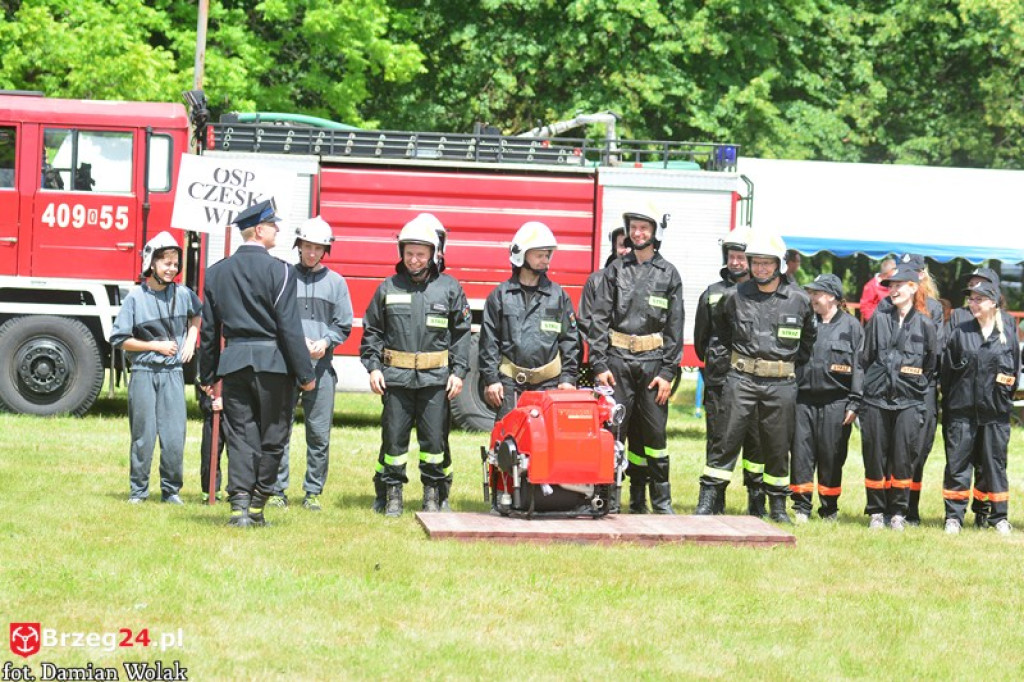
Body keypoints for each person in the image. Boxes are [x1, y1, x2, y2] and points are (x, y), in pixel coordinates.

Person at [198, 199, 316, 528]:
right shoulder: (280, 270)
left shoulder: (215, 273)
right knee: (274, 437)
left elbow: (209, 331)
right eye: (274, 225)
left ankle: (239, 508)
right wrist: (306, 374)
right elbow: (289, 327)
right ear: (260, 230)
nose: (278, 229)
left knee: (240, 437)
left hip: (234, 363)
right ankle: (258, 504)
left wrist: (206, 374)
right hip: (274, 366)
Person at [694, 229, 815, 523]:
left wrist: (781, 367)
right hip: (741, 380)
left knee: (776, 446)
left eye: (767, 263)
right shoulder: (734, 296)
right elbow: (721, 333)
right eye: (756, 262)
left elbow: (808, 341)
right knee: (725, 440)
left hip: (781, 384)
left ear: (780, 265)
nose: (760, 268)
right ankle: (709, 500)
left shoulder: (798, 299)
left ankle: (777, 507)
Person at [360, 213, 471, 516]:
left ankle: (434, 496)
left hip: (436, 380)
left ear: (433, 255)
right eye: (409, 253)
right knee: (393, 440)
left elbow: (462, 335)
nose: (414, 259)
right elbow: (372, 331)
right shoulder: (388, 288)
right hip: (396, 379)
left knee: (435, 442)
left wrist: (459, 372)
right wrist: (373, 367)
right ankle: (391, 494)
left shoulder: (450, 289)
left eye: (421, 254)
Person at [589, 205, 684, 514]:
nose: (638, 233)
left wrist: (668, 372)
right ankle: (610, 499)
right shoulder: (615, 270)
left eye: (644, 228)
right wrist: (600, 365)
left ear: (655, 233)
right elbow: (599, 319)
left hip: (654, 364)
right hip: (617, 363)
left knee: (655, 435)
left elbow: (675, 326)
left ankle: (660, 502)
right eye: (634, 227)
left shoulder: (669, 274)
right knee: (613, 432)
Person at [269, 216, 353, 511]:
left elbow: (343, 325)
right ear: (298, 246)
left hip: (321, 368)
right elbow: (274, 319)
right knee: (281, 430)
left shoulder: (336, 283)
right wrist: (296, 343)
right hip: (286, 367)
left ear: (325, 250)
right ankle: (278, 490)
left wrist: (326, 342)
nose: (312, 253)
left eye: (318, 248)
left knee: (318, 433)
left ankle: (312, 492)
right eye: (307, 247)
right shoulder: (283, 277)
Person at [112, 231, 201, 505]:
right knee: (143, 435)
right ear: (152, 263)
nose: (172, 268)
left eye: (175, 264)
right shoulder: (135, 298)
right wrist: (155, 347)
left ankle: (171, 491)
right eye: (166, 263)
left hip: (172, 375)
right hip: (143, 374)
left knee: (174, 436)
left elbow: (197, 316)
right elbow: (121, 340)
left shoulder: (184, 294)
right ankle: (138, 491)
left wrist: (191, 339)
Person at [859, 265, 938, 531]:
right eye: (890, 286)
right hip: (876, 401)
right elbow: (864, 358)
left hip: (909, 402)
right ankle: (876, 512)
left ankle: (898, 513)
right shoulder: (879, 320)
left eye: (899, 286)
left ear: (913, 288)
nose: (893, 290)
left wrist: (914, 388)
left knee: (904, 458)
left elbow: (930, 364)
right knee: (875, 456)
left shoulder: (926, 324)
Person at [693, 228, 765, 516]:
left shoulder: (764, 295)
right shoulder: (712, 294)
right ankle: (714, 501)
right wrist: (716, 362)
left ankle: (757, 501)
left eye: (741, 257)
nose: (736, 262)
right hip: (720, 382)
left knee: (757, 442)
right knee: (719, 440)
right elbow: (701, 341)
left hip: (756, 381)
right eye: (732, 257)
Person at [940, 279, 1020, 535]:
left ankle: (997, 517)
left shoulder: (1007, 335)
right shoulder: (960, 332)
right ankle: (953, 516)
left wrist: (1000, 399)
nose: (972, 304)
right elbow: (946, 374)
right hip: (962, 413)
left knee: (994, 465)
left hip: (995, 414)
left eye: (978, 299)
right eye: (971, 299)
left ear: (993, 303)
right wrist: (954, 403)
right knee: (958, 464)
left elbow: (1013, 374)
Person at [578, 226, 648, 512]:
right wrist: (602, 357)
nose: (626, 249)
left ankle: (639, 498)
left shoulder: (650, 278)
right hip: (606, 367)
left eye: (629, 244)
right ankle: (606, 498)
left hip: (638, 367)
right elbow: (586, 321)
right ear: (614, 247)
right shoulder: (597, 281)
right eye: (621, 244)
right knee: (609, 433)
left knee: (642, 437)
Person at [478, 221, 579, 420]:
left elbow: (570, 341)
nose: (545, 260)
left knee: (546, 443)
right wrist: (491, 380)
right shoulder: (500, 296)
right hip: (510, 384)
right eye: (539, 255)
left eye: (547, 255)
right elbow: (489, 342)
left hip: (549, 383)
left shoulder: (558, 296)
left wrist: (568, 378)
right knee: (509, 441)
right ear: (521, 255)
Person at [875, 253, 945, 524]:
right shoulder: (885, 305)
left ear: (920, 277)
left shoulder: (934, 308)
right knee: (890, 450)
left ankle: (909, 509)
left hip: (921, 388)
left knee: (917, 449)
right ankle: (886, 508)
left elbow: (934, 352)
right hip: (890, 388)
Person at [789, 274, 862, 522]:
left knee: (832, 455)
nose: (812, 298)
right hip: (803, 399)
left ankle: (829, 508)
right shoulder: (805, 322)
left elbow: (859, 367)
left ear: (831, 296)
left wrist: (855, 402)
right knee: (801, 454)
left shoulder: (851, 327)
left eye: (816, 294)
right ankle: (801, 507)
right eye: (810, 293)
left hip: (836, 402)